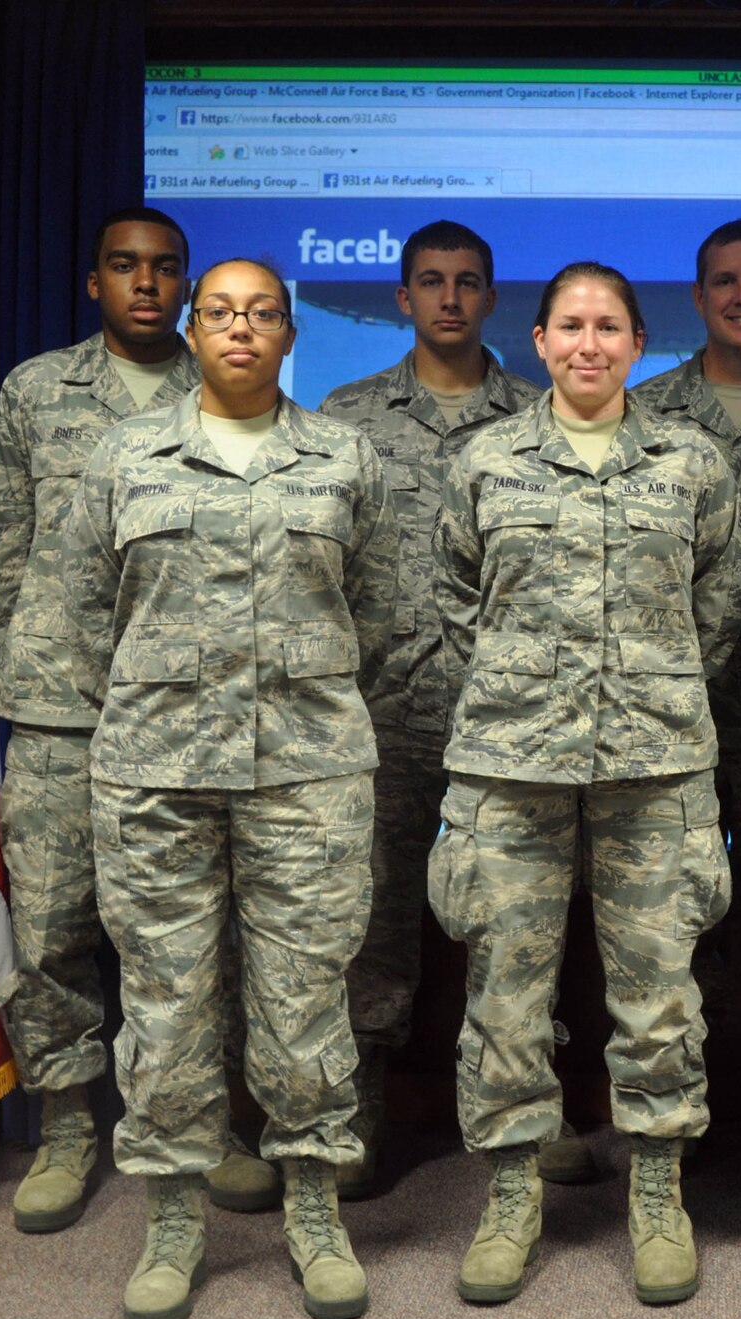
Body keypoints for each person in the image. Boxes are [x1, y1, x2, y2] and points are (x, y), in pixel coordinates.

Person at [67, 258, 397, 1319]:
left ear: (289, 332)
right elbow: (75, 615)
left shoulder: (345, 456)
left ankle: (312, 1207)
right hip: (156, 773)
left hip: (307, 771)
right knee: (165, 1003)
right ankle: (172, 1215)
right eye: (221, 313)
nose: (241, 328)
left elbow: (382, 614)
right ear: (195, 331)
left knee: (304, 1000)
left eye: (261, 313)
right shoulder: (124, 456)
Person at [430, 261, 741, 1308]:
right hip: (510, 763)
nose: (588, 344)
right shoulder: (485, 459)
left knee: (658, 994)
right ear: (538, 338)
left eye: (609, 326)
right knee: (506, 995)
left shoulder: (690, 461)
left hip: (654, 764)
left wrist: (642, 687)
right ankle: (513, 1189)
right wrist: (535, 686)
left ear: (637, 341)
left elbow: (720, 599)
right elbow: (453, 594)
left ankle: (656, 1187)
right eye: (569, 325)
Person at [0, 207, 278, 1233]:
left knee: (203, 932)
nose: (145, 283)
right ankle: (65, 1120)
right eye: (124, 266)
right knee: (53, 922)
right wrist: (44, 651)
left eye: (164, 270)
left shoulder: (235, 390)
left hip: (200, 707)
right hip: (67, 706)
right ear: (95, 281)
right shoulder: (39, 392)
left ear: (190, 297)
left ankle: (211, 1125)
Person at [316, 221, 553, 1197]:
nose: (449, 298)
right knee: (369, 920)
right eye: (430, 282)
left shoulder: (539, 417)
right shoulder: (345, 415)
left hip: (506, 714)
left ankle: (520, 1123)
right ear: (402, 296)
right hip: (379, 712)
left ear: (492, 299)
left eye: (467, 283)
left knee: (516, 922)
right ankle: (359, 1114)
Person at [631, 219, 741, 1066]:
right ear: (698, 297)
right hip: (670, 700)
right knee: (669, 902)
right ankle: (677, 1096)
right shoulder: (646, 412)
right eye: (725, 281)